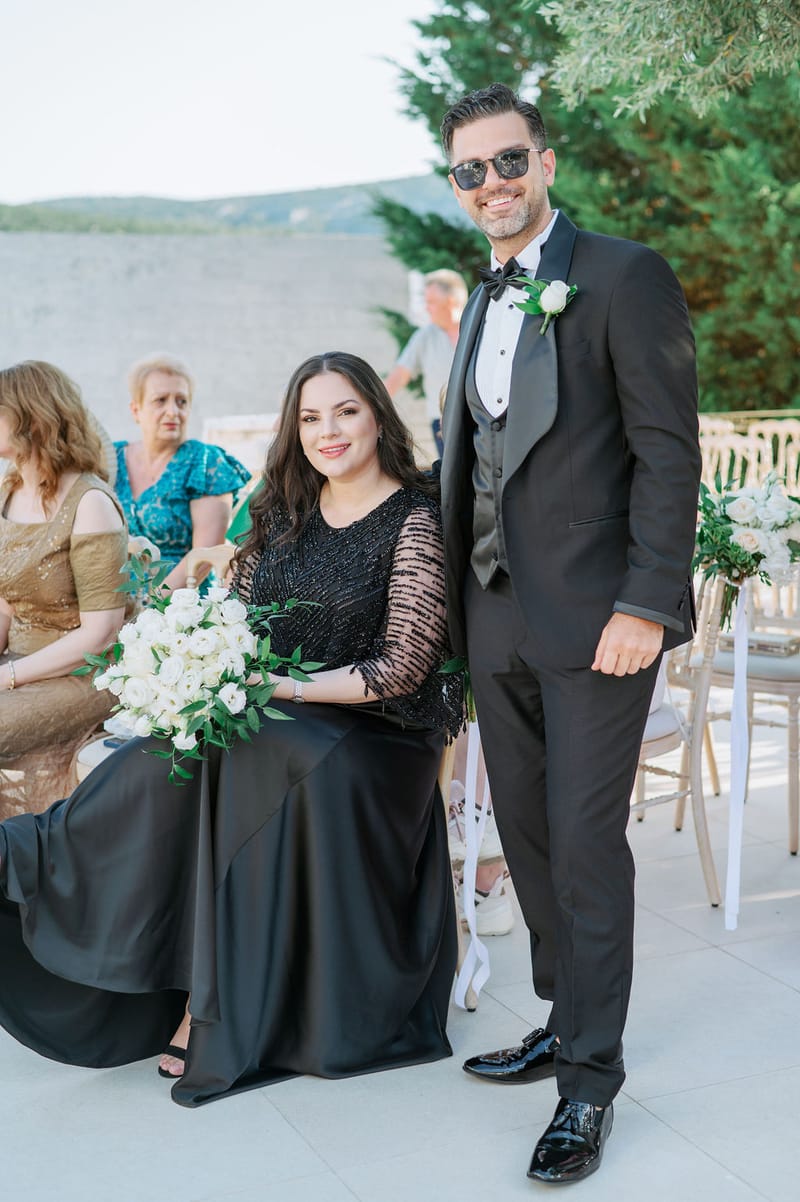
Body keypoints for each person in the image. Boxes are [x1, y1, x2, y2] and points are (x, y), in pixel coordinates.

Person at [0, 351, 462, 1107]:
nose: (328, 431)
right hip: (273, 713)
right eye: (310, 417)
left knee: (252, 749)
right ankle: (32, 860)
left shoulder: (415, 517)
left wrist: (280, 687)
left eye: (345, 411)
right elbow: (235, 618)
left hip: (376, 735)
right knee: (168, 752)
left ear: (378, 416)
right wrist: (199, 668)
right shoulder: (283, 509)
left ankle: (208, 1004)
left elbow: (401, 667)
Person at [437, 84, 700, 1184]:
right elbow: (470, 458)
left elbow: (667, 452)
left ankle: (588, 1082)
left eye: (509, 161)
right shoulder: (480, 297)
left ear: (543, 162)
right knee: (531, 837)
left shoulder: (625, 275)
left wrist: (646, 602)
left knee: (585, 842)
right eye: (471, 171)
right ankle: (563, 1015)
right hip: (493, 611)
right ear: (456, 187)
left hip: (601, 620)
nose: (492, 184)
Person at [0, 361, 128, 819]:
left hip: (84, 673)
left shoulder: (90, 503)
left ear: (32, 418)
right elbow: (5, 604)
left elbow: (100, 635)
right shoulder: (8, 489)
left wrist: (8, 677)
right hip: (19, 660)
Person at [115, 353, 250, 589]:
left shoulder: (205, 463)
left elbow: (203, 557)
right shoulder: (110, 459)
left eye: (181, 401)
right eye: (160, 400)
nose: (173, 411)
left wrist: (154, 605)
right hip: (113, 597)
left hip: (181, 599)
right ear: (136, 410)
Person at [385, 269, 468, 458]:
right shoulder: (425, 336)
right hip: (442, 423)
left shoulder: (479, 329)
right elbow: (398, 376)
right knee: (452, 475)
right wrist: (372, 406)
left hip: (481, 419)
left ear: (450, 301)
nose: (426, 308)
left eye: (431, 302)